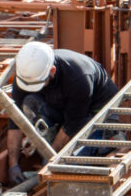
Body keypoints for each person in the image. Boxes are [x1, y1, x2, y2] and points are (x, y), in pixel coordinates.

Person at [7, 42, 118, 185]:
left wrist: (50, 159)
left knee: (73, 165)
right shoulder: (25, 76)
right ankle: (51, 142)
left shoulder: (79, 77)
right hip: (61, 106)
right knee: (29, 103)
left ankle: (100, 145)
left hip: (94, 111)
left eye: (39, 84)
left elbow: (73, 124)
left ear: (52, 71)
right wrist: (13, 165)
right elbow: (15, 121)